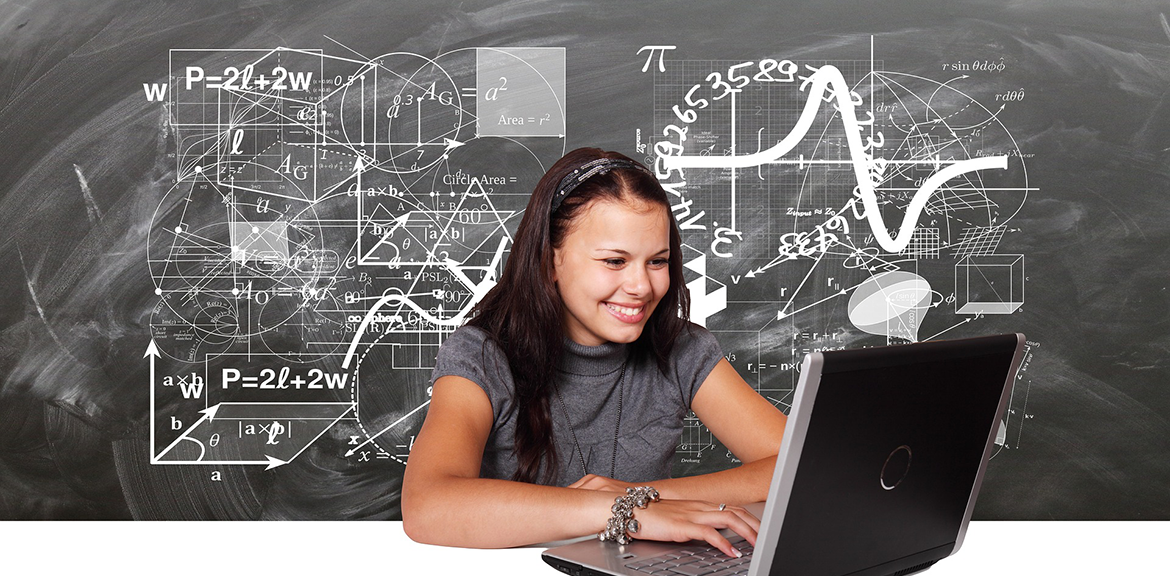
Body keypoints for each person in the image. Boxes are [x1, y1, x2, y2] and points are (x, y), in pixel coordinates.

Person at [402, 148, 787, 557]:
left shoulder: (682, 350)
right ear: (550, 262)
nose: (641, 286)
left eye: (657, 261)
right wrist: (623, 510)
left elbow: (796, 462)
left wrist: (644, 497)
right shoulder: (480, 355)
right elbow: (427, 505)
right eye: (614, 261)